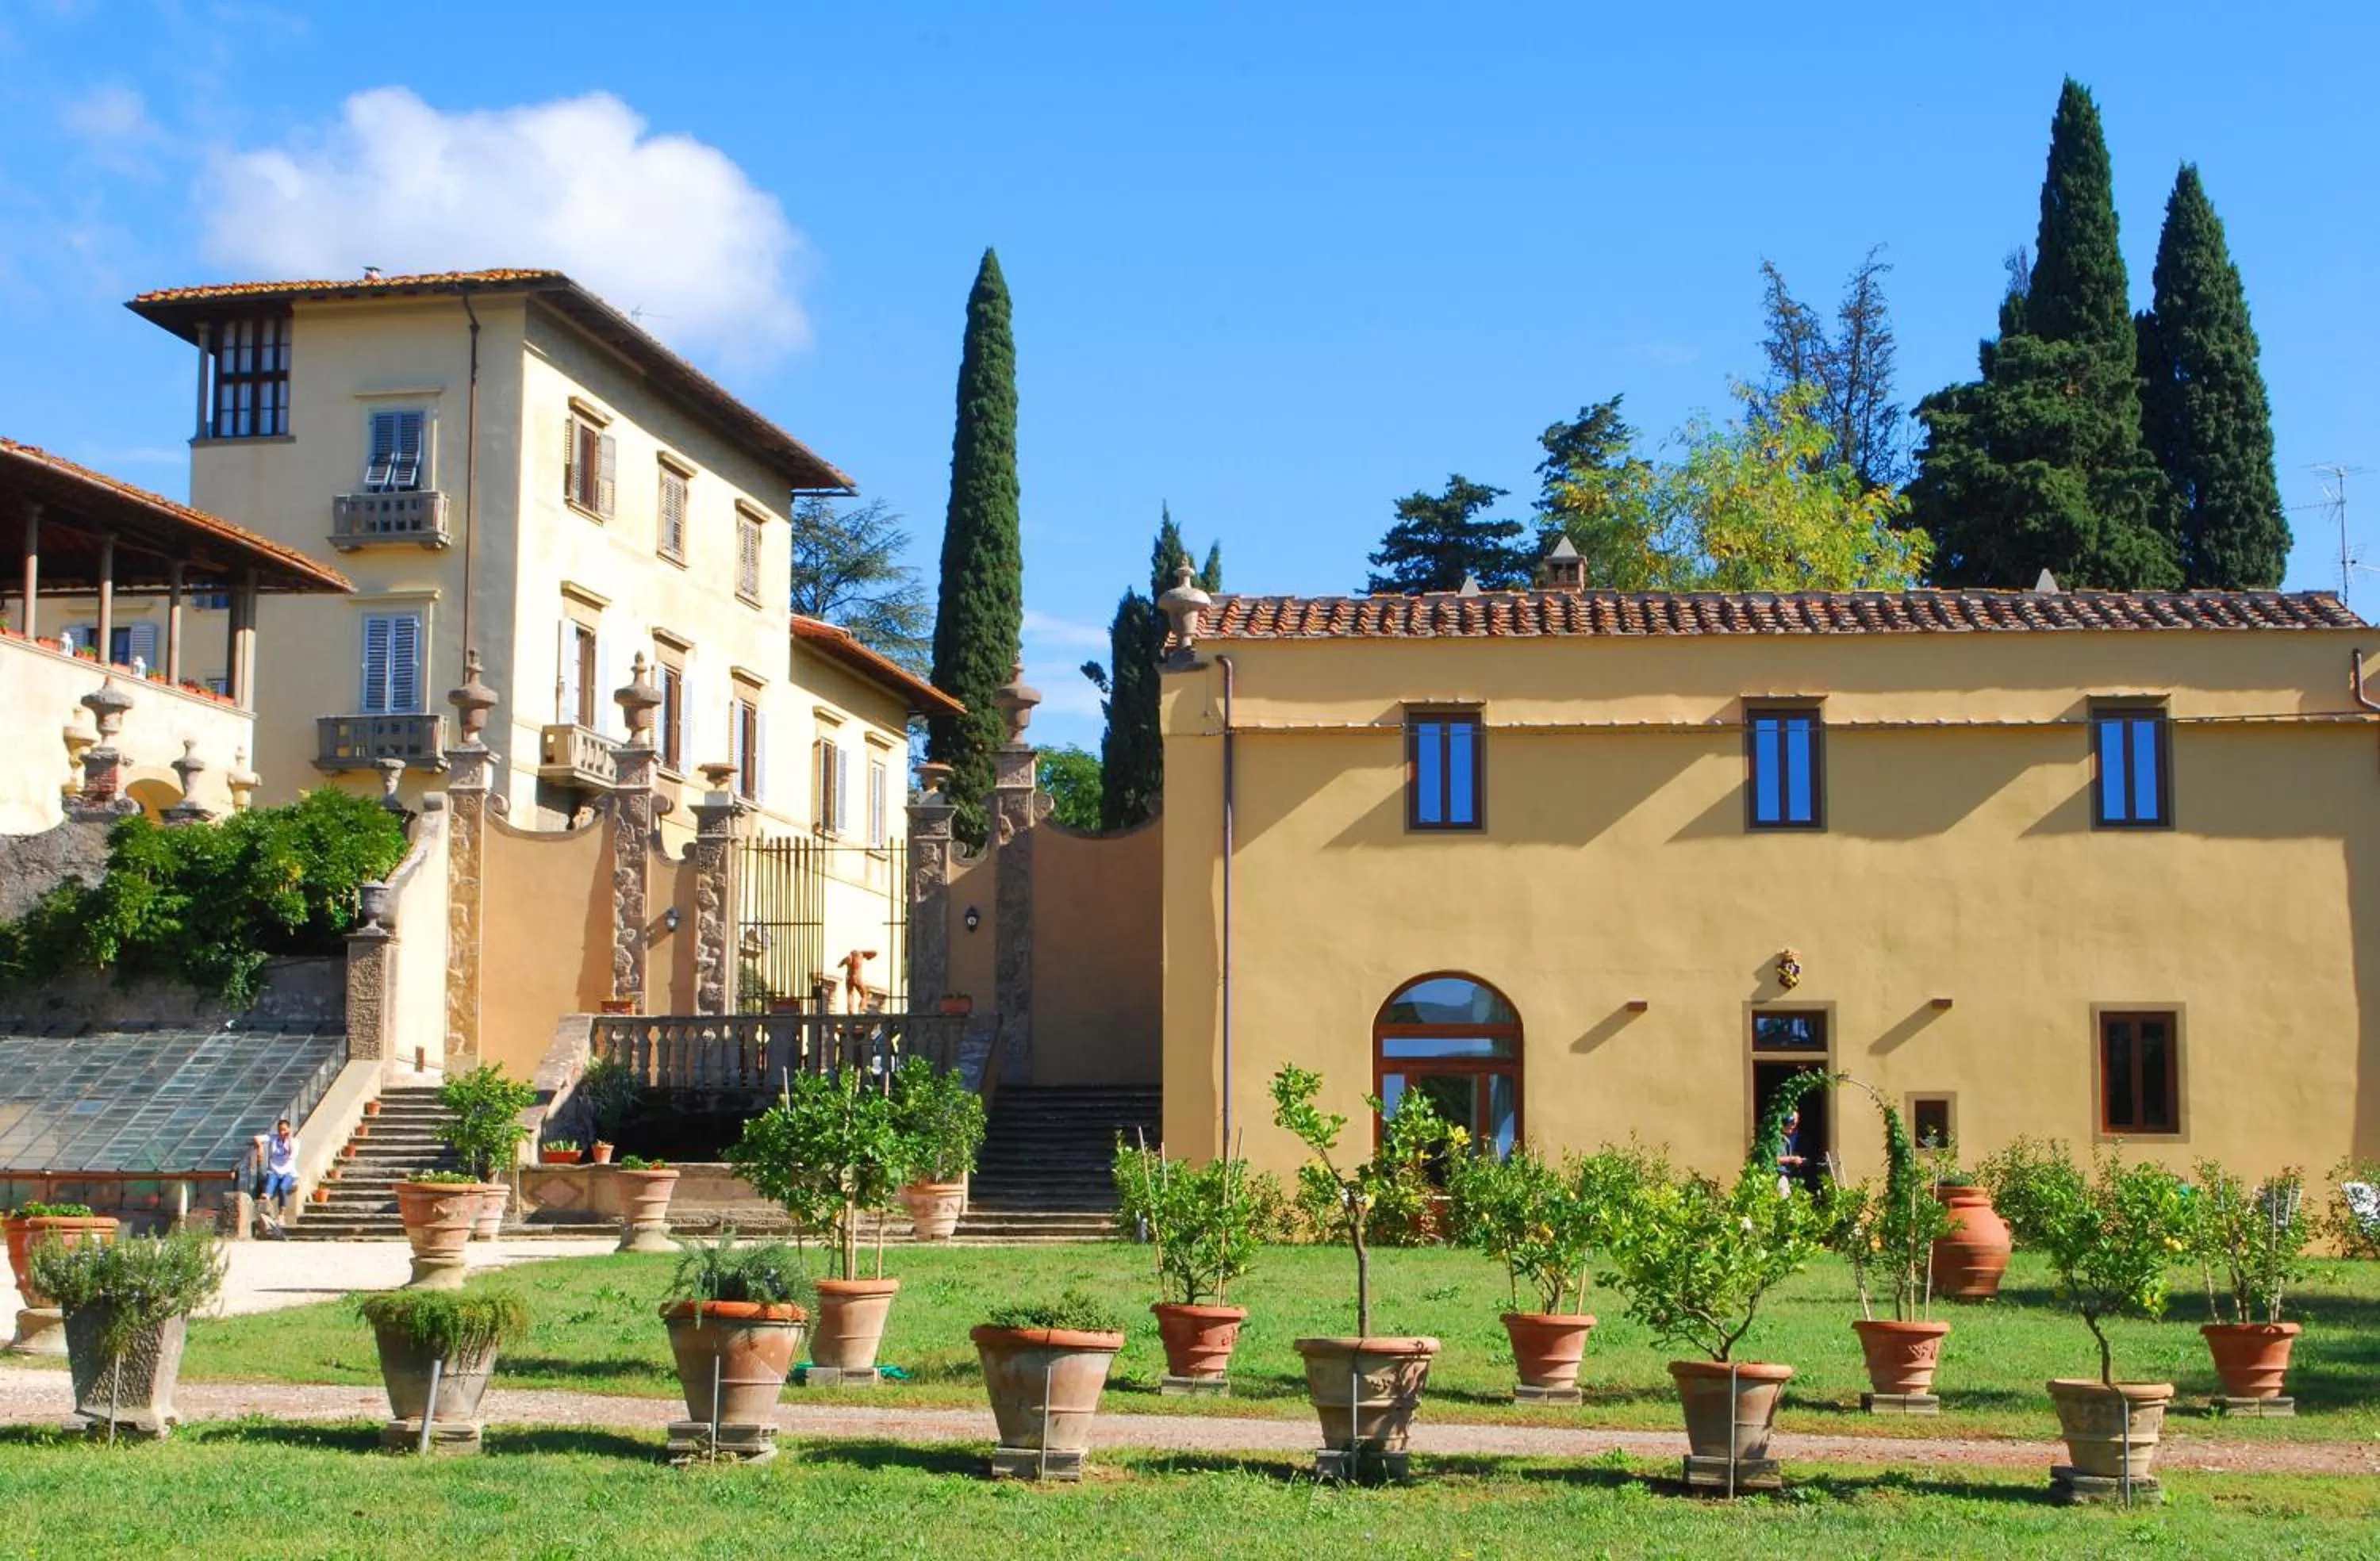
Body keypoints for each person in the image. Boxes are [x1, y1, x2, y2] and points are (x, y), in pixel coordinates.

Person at [255, 1118, 299, 1237]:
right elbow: (257, 1138)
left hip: (288, 1173)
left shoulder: (295, 1142)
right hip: (274, 1171)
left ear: (289, 1130)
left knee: (283, 1188)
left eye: (284, 1130)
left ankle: (281, 1214)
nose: (282, 1132)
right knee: (268, 1190)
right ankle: (266, 1215)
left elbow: (291, 1154)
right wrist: (260, 1147)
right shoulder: (273, 1138)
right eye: (280, 1130)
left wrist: (288, 1139)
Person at [1775, 1107, 1806, 1195]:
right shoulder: (1775, 1138)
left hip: (1792, 1176)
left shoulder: (1798, 1139)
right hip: (1779, 1176)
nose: (1793, 1126)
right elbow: (1773, 1159)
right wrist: (1792, 1159)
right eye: (1791, 1122)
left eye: (1795, 1123)